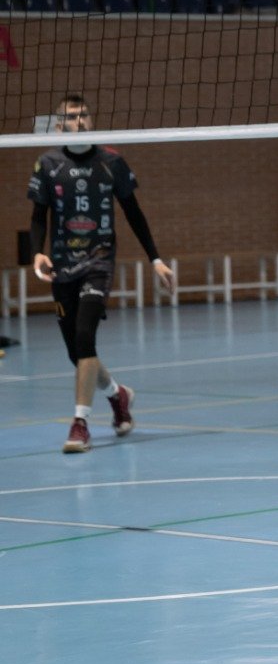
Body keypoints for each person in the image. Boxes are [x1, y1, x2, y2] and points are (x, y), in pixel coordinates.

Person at [28, 94, 174, 453]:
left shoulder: (112, 162)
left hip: (99, 260)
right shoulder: (47, 163)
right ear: (59, 124)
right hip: (63, 265)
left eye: (82, 115)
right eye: (69, 117)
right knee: (77, 353)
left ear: (91, 120)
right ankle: (118, 395)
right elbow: (37, 216)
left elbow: (134, 213)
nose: (77, 121)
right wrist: (37, 252)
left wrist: (155, 259)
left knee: (85, 335)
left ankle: (80, 424)